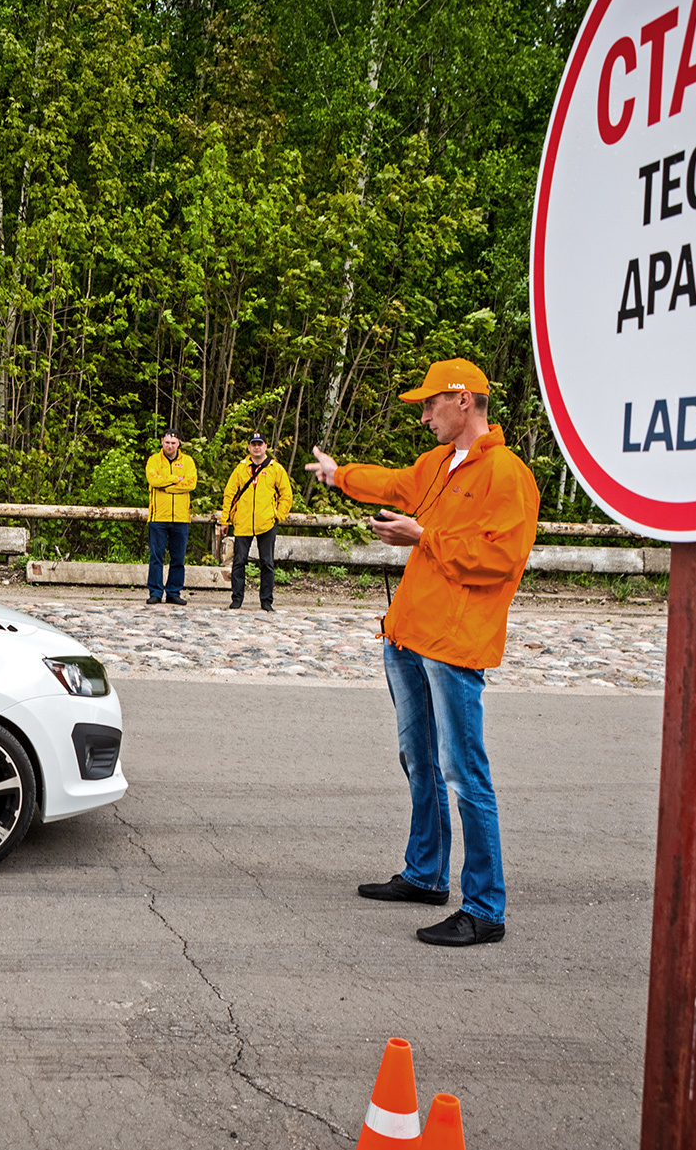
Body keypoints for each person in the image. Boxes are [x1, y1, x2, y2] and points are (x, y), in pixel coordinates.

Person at [305, 358, 538, 948]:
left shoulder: (507, 474)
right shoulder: (437, 464)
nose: (425, 414)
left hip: (454, 644)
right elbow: (392, 484)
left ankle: (485, 907)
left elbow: (501, 559)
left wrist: (423, 536)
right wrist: (339, 477)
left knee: (464, 773)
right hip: (408, 635)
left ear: (464, 400)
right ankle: (426, 874)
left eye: (431, 404)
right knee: (419, 761)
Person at [219, 433, 292, 611]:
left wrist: (278, 515)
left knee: (267, 562)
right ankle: (237, 599)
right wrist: (225, 519)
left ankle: (266, 601)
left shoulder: (276, 469)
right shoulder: (241, 469)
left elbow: (286, 494)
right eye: (254, 444)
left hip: (266, 522)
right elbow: (230, 493)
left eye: (260, 444)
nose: (257, 447)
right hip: (243, 521)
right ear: (249, 447)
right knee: (239, 562)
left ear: (266, 446)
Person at [144, 430, 196, 607]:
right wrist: (175, 479)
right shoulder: (154, 460)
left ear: (179, 443)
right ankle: (155, 592)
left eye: (173, 443)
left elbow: (191, 483)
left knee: (178, 558)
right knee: (156, 556)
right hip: (158, 516)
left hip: (181, 517)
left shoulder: (187, 461)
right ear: (162, 442)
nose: (170, 446)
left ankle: (173, 592)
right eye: (167, 442)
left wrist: (167, 486)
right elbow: (153, 481)